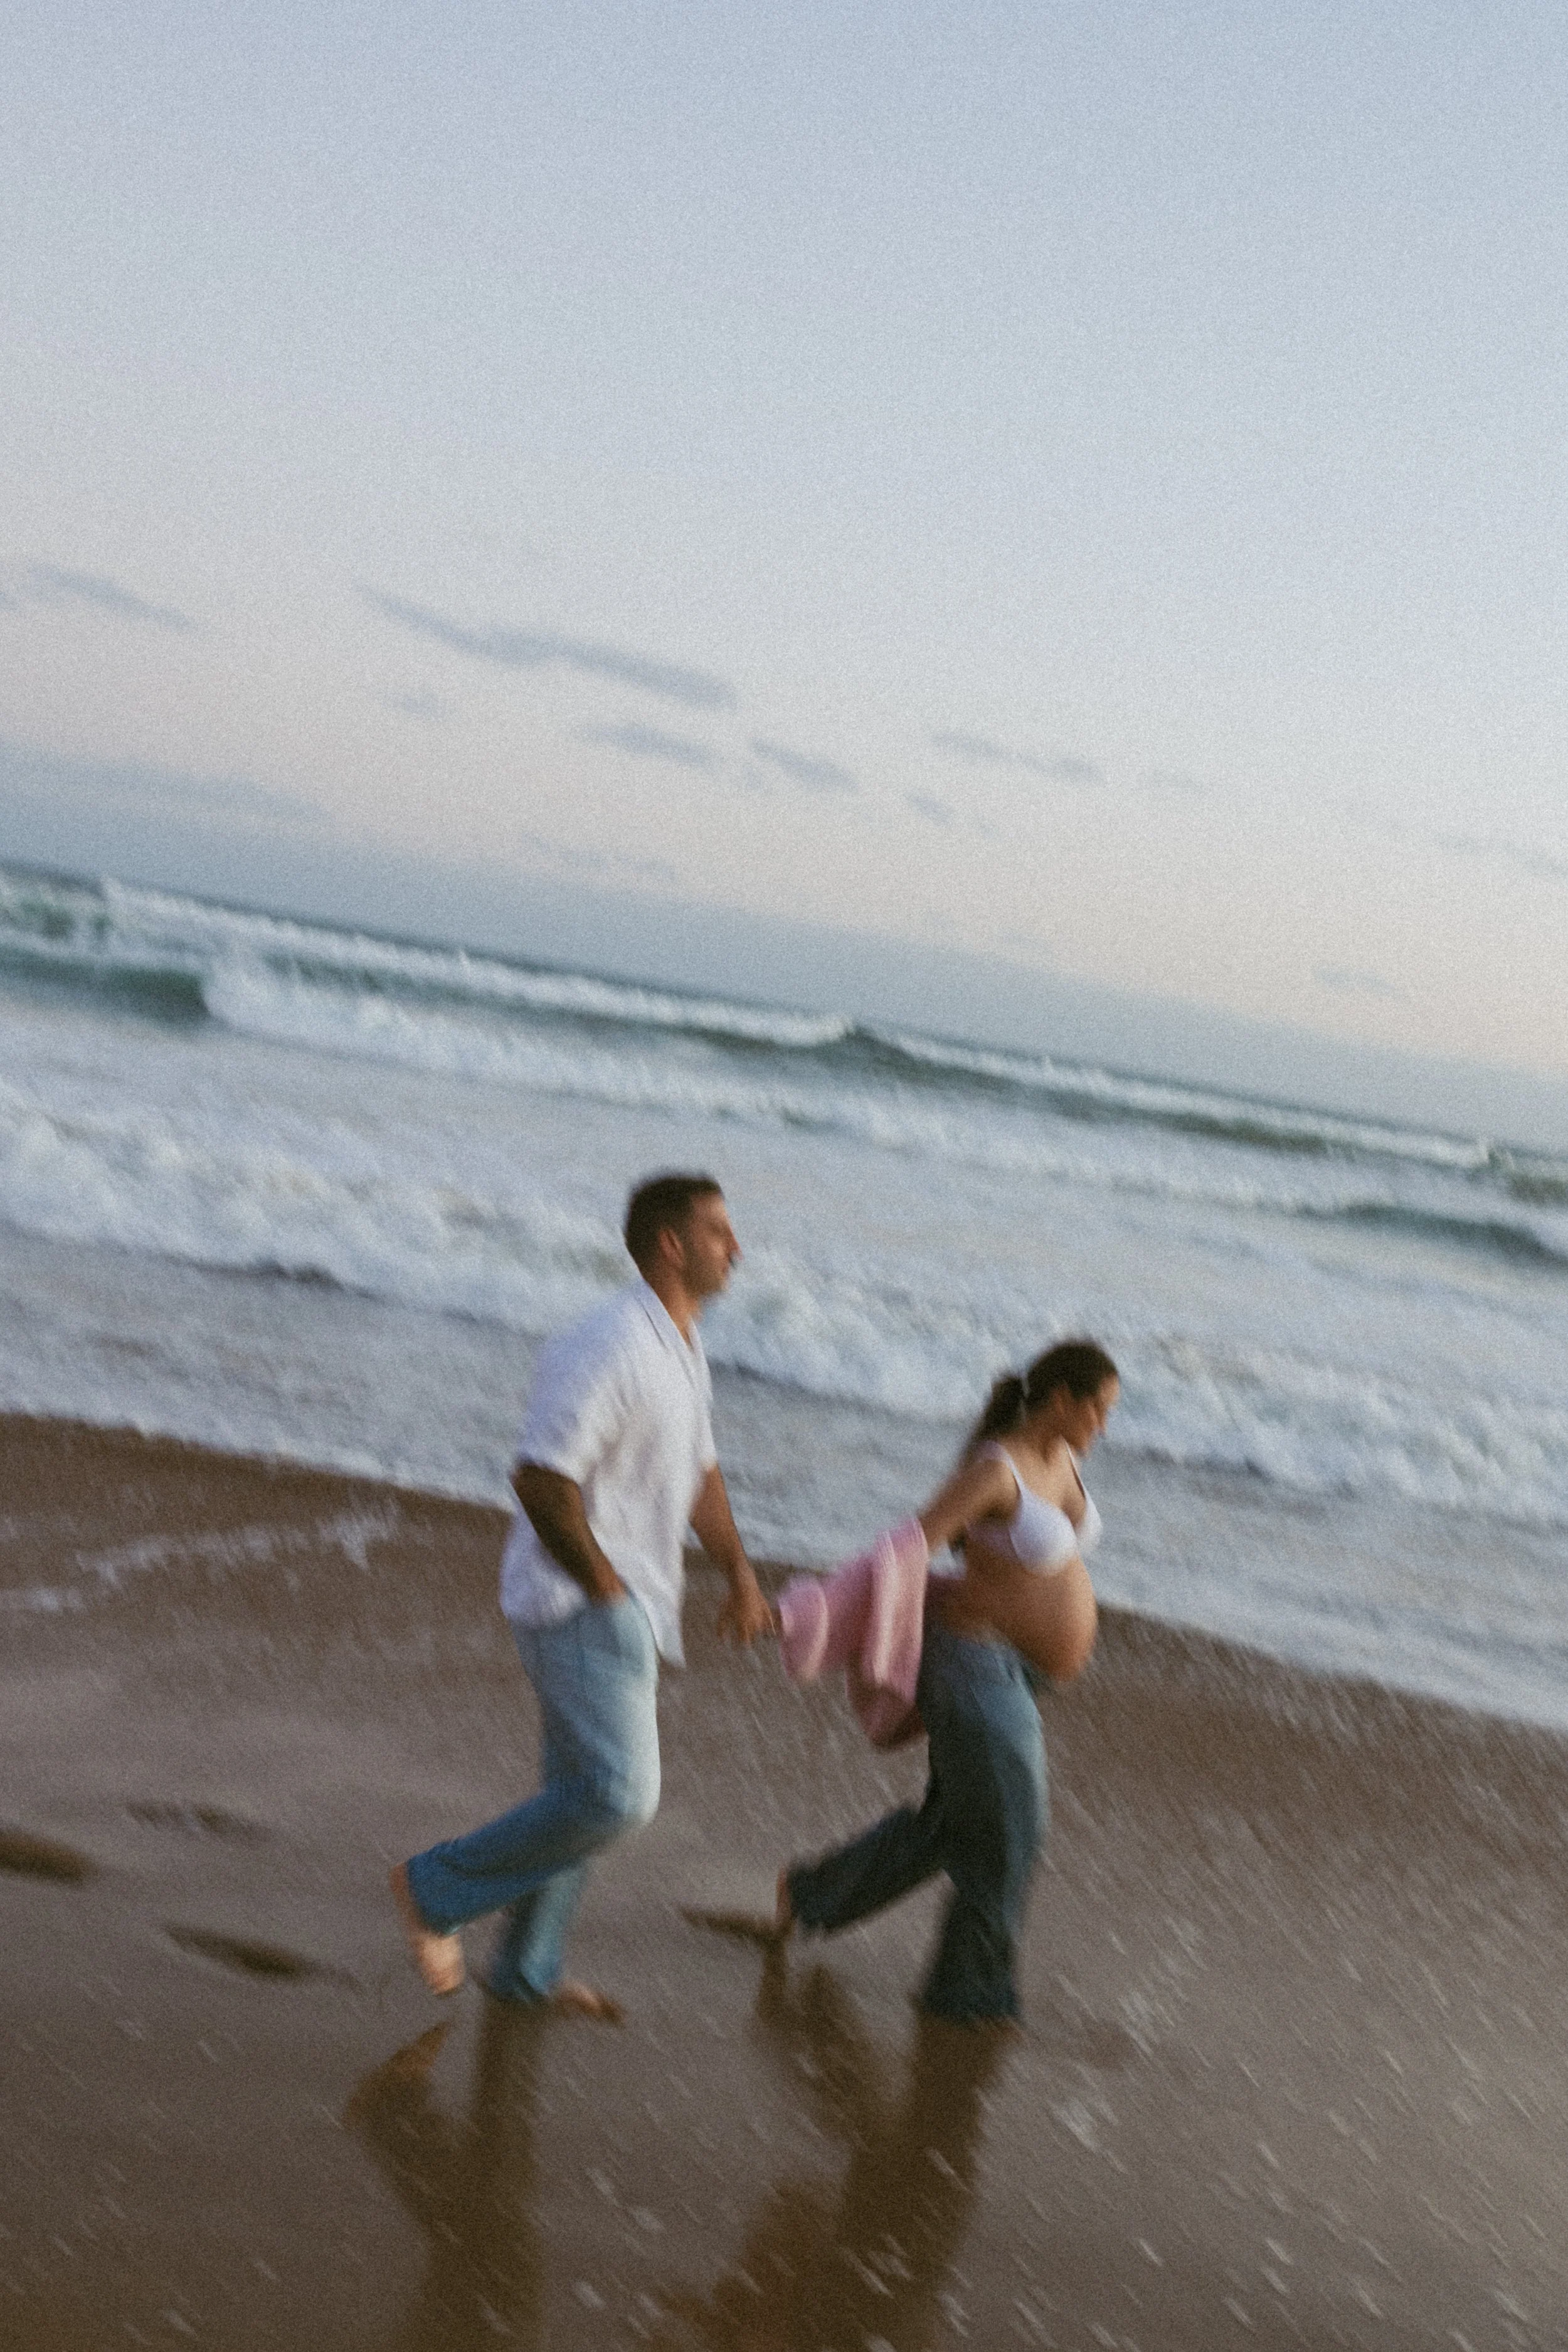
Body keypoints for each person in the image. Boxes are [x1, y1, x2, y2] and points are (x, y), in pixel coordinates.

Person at [391, 1172, 773, 2018]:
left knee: (576, 1796)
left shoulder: (682, 1343)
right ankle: (433, 1888)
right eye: (718, 1231)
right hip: (577, 1602)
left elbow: (700, 1471)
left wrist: (740, 1570)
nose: (736, 1248)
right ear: (670, 1244)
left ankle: (525, 1972)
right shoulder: (609, 1343)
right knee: (618, 1793)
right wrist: (605, 1587)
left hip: (632, 1600)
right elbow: (539, 1476)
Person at [773, 1338, 1120, 2025]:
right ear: (1061, 1400)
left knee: (956, 1823)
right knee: (1011, 1829)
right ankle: (968, 1996)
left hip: (1020, 1673)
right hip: (972, 1664)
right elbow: (907, 1545)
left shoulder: (1064, 1460)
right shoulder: (995, 1472)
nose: (1103, 1426)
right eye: (1099, 1410)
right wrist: (813, 1609)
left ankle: (810, 1895)